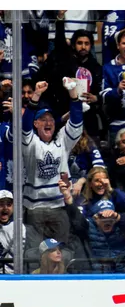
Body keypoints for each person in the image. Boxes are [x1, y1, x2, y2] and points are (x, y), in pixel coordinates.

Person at [22, 77, 82, 248]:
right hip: (35, 209)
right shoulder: (31, 143)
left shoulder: (62, 141)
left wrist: (72, 92)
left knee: (61, 253)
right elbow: (24, 126)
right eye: (43, 119)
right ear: (36, 123)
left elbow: (76, 122)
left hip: (59, 207)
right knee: (34, 255)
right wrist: (36, 96)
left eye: (50, 119)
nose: (48, 122)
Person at [0, 190, 25, 274]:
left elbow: (15, 256)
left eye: (9, 204)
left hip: (9, 275)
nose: (5, 208)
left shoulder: (18, 227)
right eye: (1, 205)